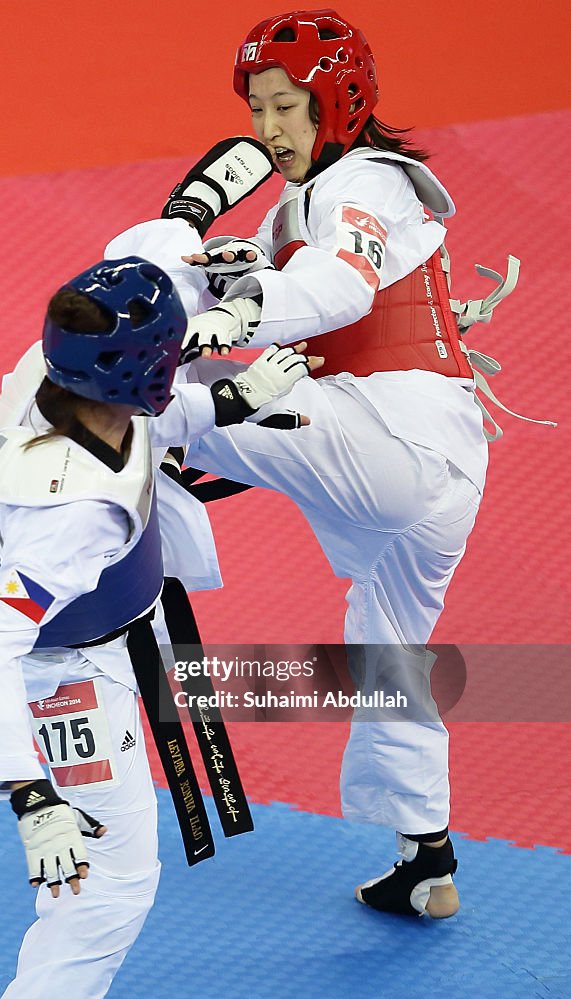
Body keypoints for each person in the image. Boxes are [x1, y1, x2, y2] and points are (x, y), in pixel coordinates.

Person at [109, 8, 546, 919]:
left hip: (399, 449)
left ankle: (117, 507)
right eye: (257, 110)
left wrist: (230, 316)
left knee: (155, 395)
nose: (267, 130)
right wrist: (206, 264)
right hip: (435, 479)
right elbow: (289, 295)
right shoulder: (296, 213)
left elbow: (337, 288)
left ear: (338, 103)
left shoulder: (368, 184)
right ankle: (426, 858)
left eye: (284, 107)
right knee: (387, 655)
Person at [0, 255, 318, 999]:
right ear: (139, 369)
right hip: (67, 675)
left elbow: (149, 411)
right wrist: (31, 797)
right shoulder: (71, 518)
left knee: (106, 881)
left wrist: (231, 399)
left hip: (118, 628)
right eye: (170, 354)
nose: (177, 364)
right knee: (109, 885)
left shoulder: (71, 384)